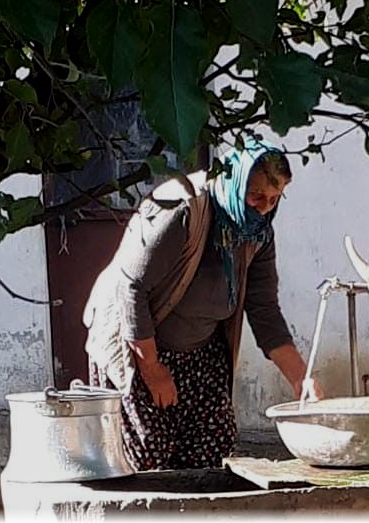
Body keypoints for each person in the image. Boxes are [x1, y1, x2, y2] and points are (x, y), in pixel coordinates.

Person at [83, 138, 322, 471]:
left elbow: (264, 310)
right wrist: (153, 370)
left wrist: (300, 378)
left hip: (200, 353)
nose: (264, 208)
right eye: (256, 196)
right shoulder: (182, 209)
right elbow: (131, 286)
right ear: (235, 182)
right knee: (148, 450)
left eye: (274, 199)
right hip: (137, 344)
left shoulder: (256, 233)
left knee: (213, 443)